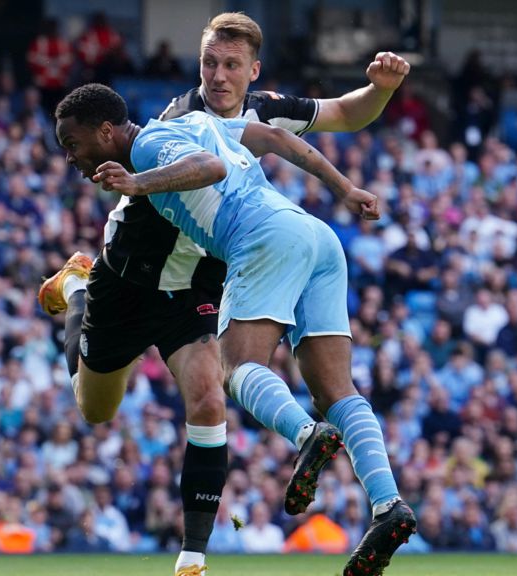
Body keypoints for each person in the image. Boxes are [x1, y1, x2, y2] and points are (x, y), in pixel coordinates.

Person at [38, 12, 410, 575]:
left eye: (230, 65)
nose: (217, 75)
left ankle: (203, 551)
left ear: (251, 70)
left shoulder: (241, 117)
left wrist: (377, 99)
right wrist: (342, 189)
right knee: (96, 409)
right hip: (137, 276)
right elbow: (250, 153)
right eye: (209, 63)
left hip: (221, 267)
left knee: (227, 383)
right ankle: (78, 284)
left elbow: (322, 122)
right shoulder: (180, 119)